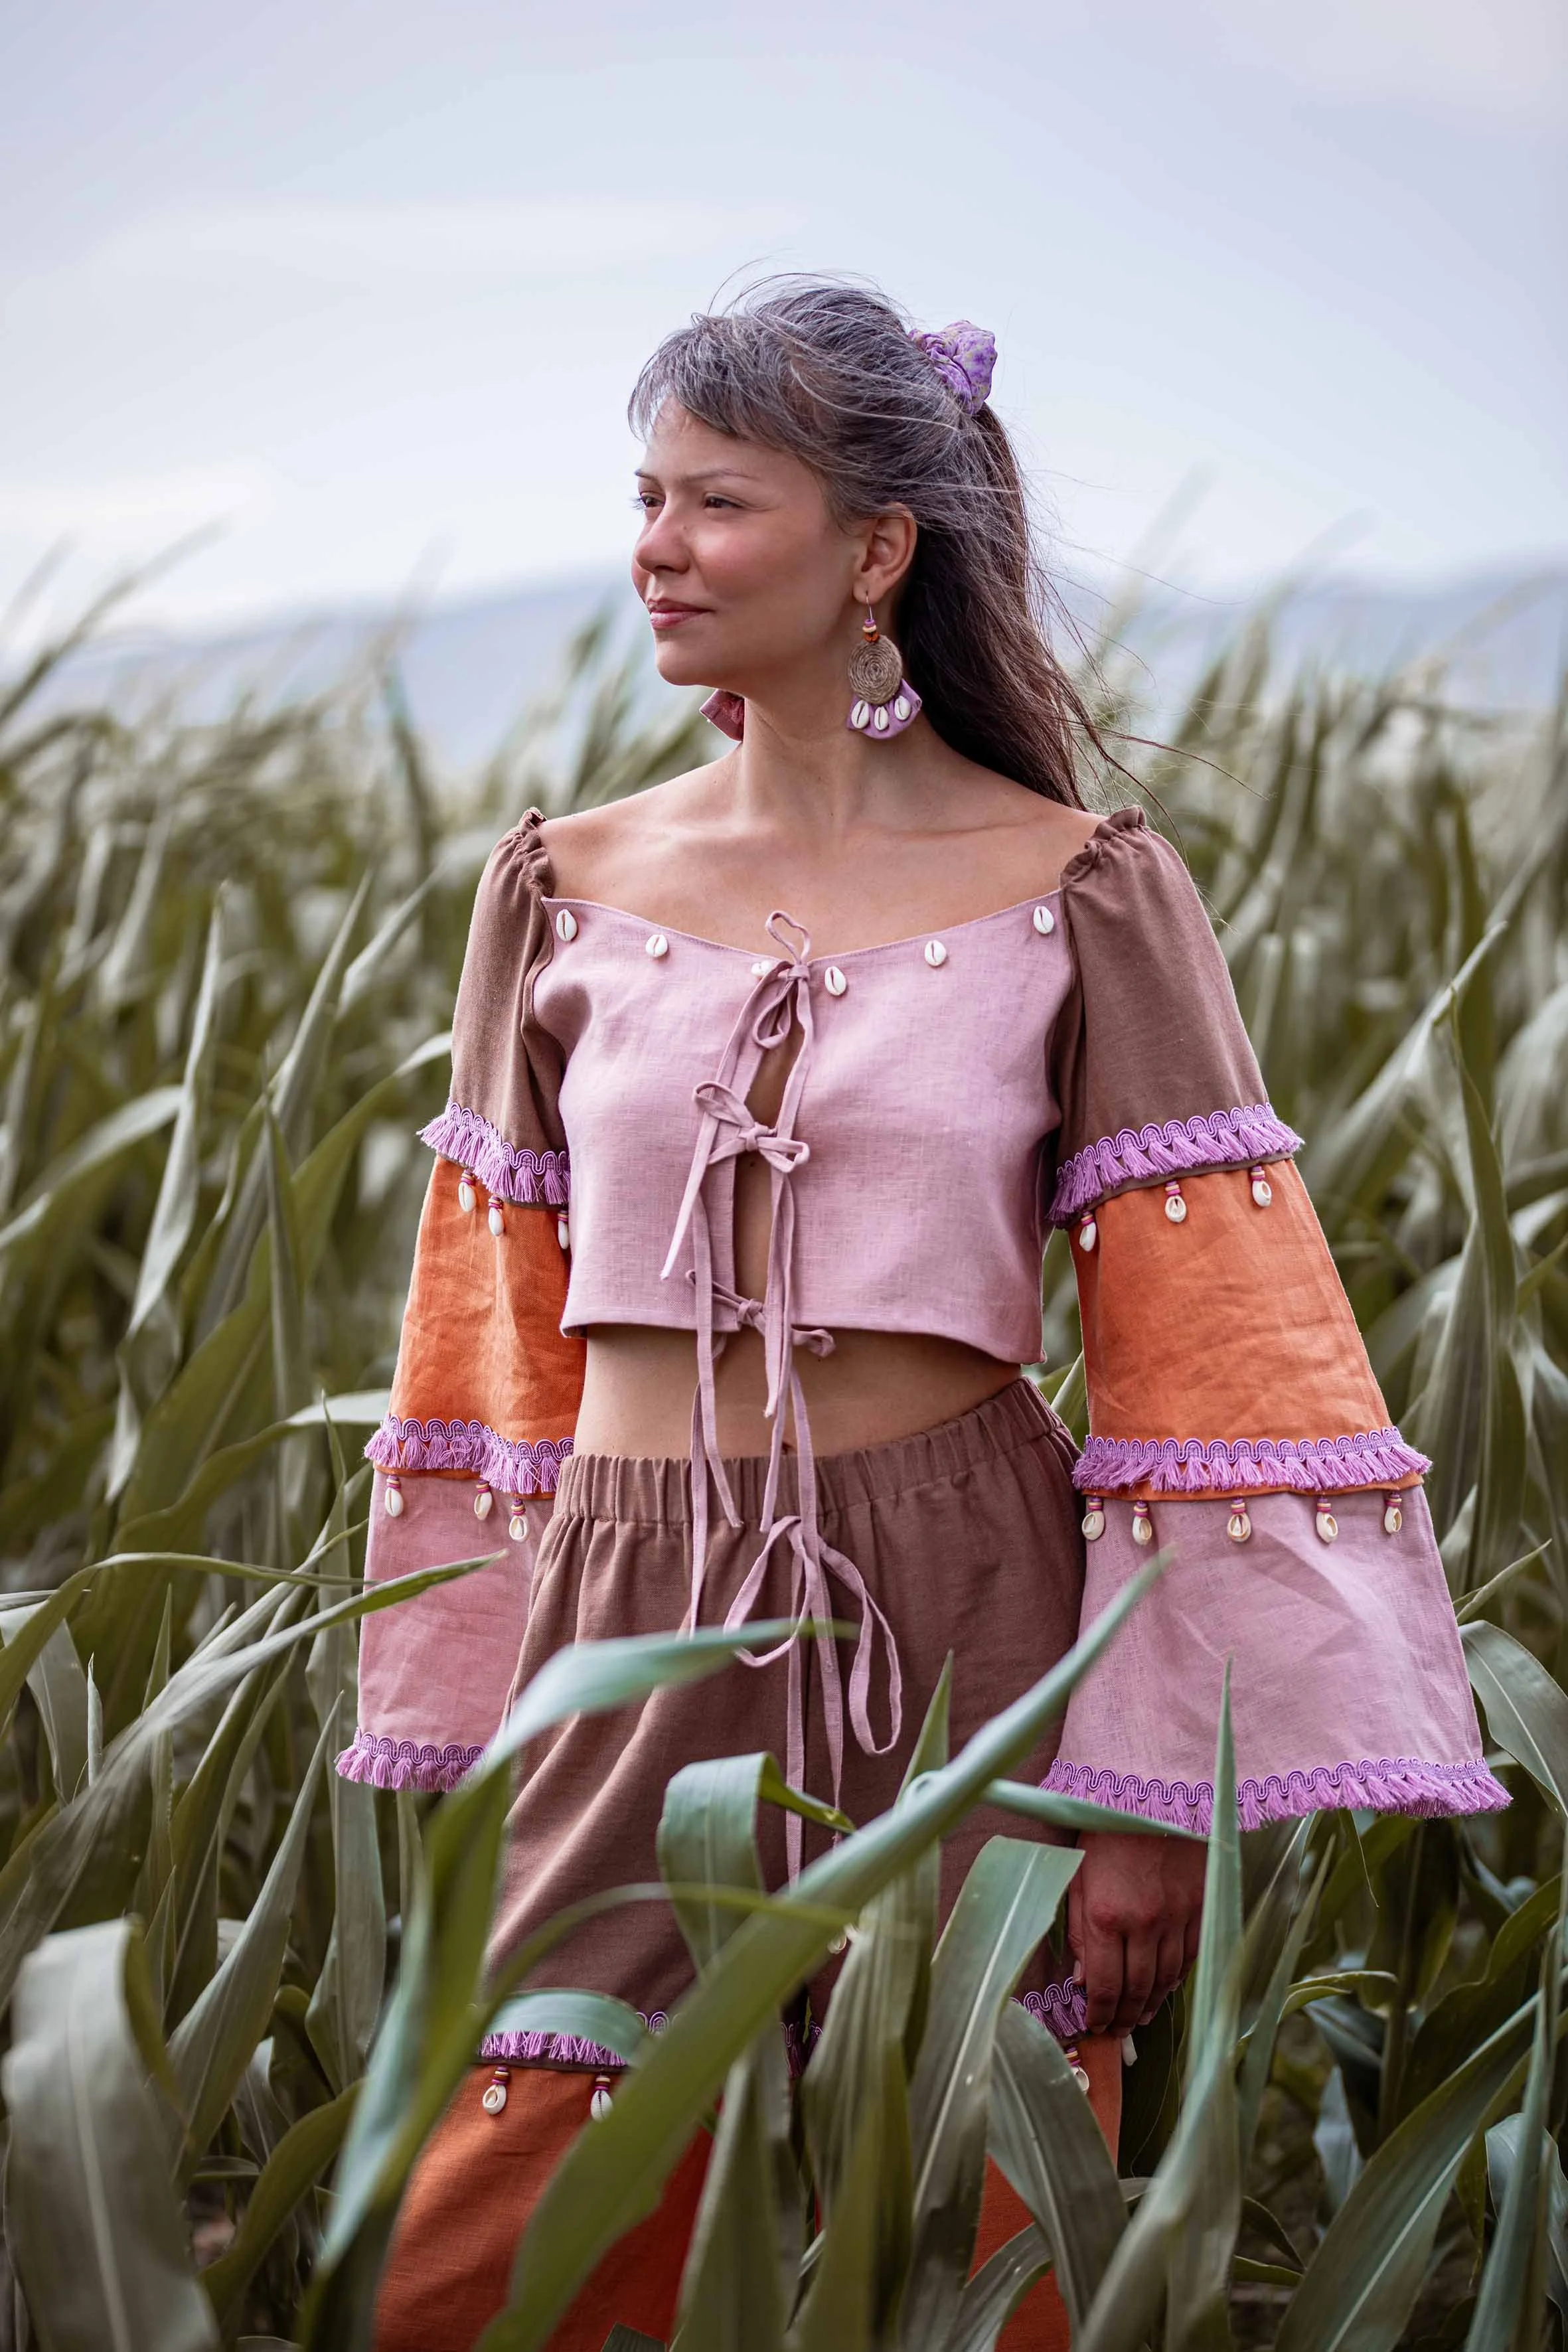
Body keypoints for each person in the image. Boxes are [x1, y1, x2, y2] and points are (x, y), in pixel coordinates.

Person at [347, 281, 1504, 2351]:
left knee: (1002, 2241)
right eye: (645, 498)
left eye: (717, 501)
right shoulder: (558, 882)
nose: (656, 548)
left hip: (970, 1595)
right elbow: (495, 1340)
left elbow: (1200, 1364)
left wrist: (1146, 1792)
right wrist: (478, 1691)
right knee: (502, 2247)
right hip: (628, 1603)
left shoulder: (1081, 887)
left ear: (876, 547)